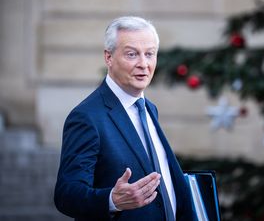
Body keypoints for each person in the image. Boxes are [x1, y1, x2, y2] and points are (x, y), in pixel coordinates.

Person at [54, 16, 197, 221]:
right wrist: (112, 200)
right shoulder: (86, 117)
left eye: (150, 54)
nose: (143, 64)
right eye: (132, 54)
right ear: (108, 58)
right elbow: (66, 194)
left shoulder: (149, 109)